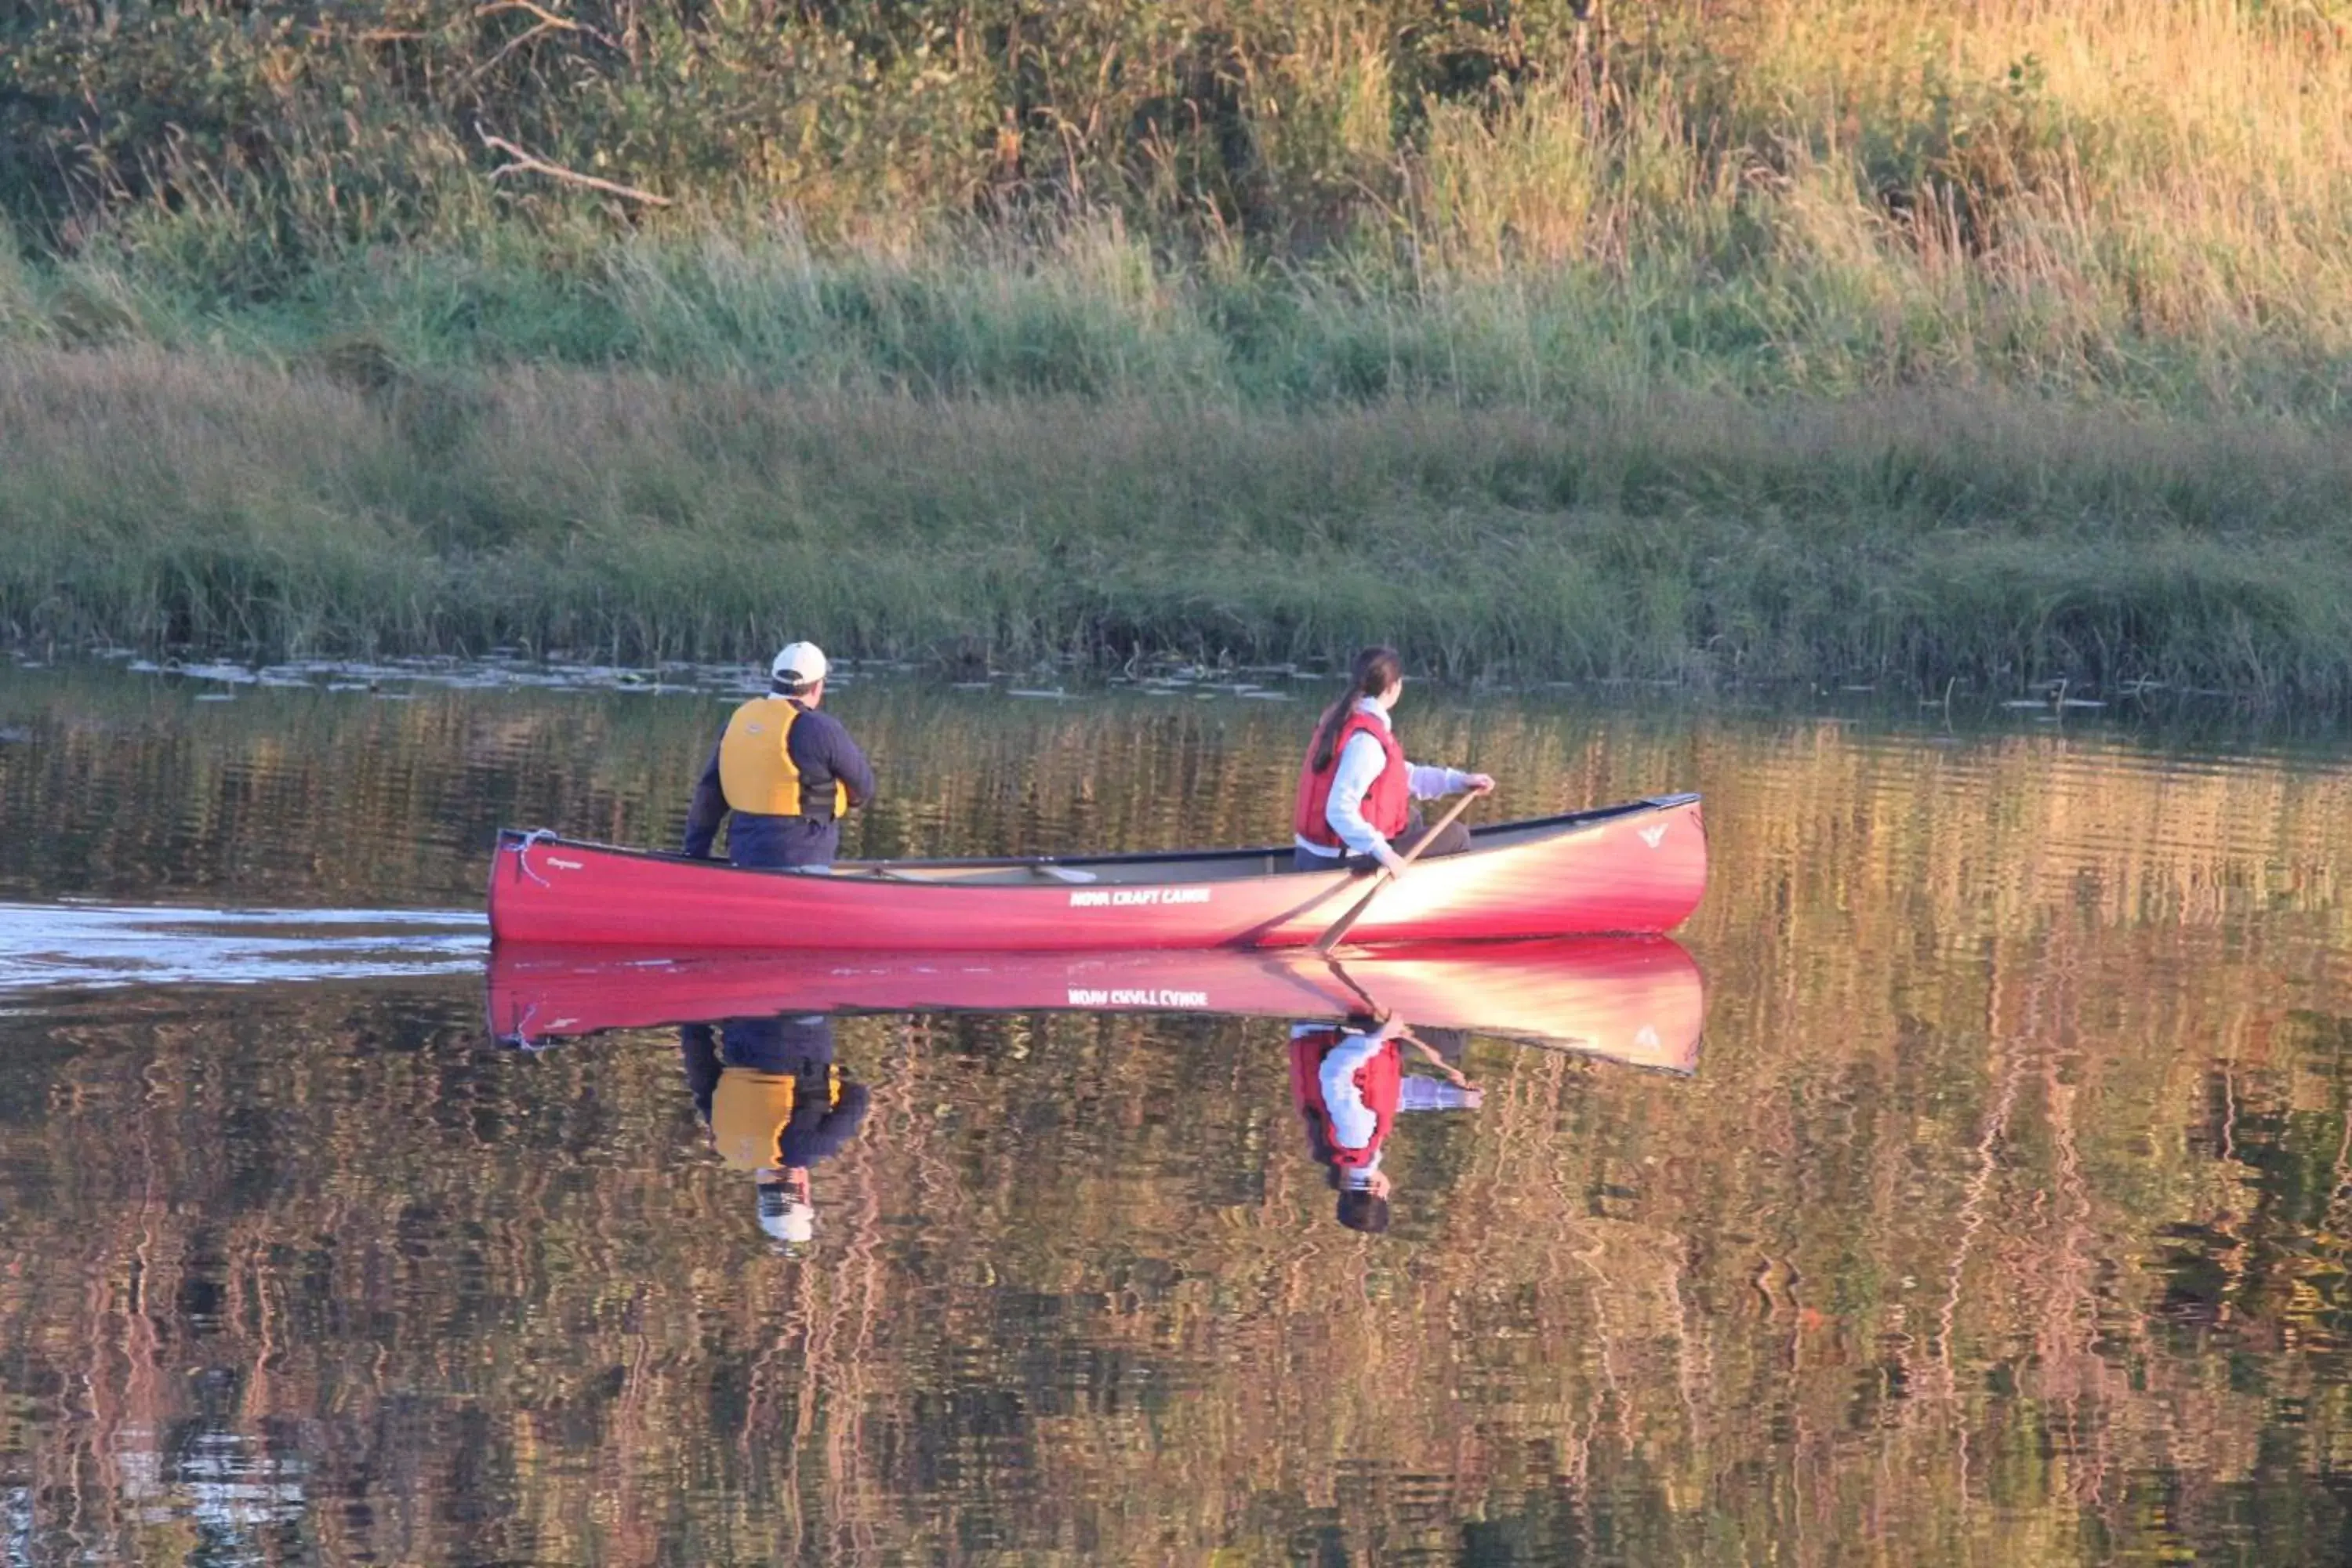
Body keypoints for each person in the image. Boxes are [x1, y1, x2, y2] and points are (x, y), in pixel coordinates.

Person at [1292, 645, 1494, 875]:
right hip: (1337, 862)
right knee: (1457, 836)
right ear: (1393, 687)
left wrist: (1461, 781)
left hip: (1311, 856)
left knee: (1411, 817)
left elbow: (1404, 776)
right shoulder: (1366, 742)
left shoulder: (1344, 720)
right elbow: (1339, 810)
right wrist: (1384, 853)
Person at [681, 1012, 871, 1254]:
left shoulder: (812, 1149)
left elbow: (858, 1097)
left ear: (804, 1192)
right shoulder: (727, 1146)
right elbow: (700, 1067)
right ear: (761, 1194)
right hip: (738, 1025)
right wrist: (693, 1019)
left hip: (803, 1026)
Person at [683, 641, 876, 871]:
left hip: (742, 859)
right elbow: (864, 789)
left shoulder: (737, 723)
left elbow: (709, 795)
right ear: (817, 688)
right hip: (802, 862)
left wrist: (694, 854)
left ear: (774, 680)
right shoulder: (820, 729)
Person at [1290, 1014, 1482, 1233]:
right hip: (1335, 1034)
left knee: (1452, 1042)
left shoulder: (1355, 1141)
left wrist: (1378, 1036)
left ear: (1378, 1192)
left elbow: (1334, 1075)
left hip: (1342, 1029)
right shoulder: (1342, 1151)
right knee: (1448, 1048)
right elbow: (1388, 1096)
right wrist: (1454, 1097)